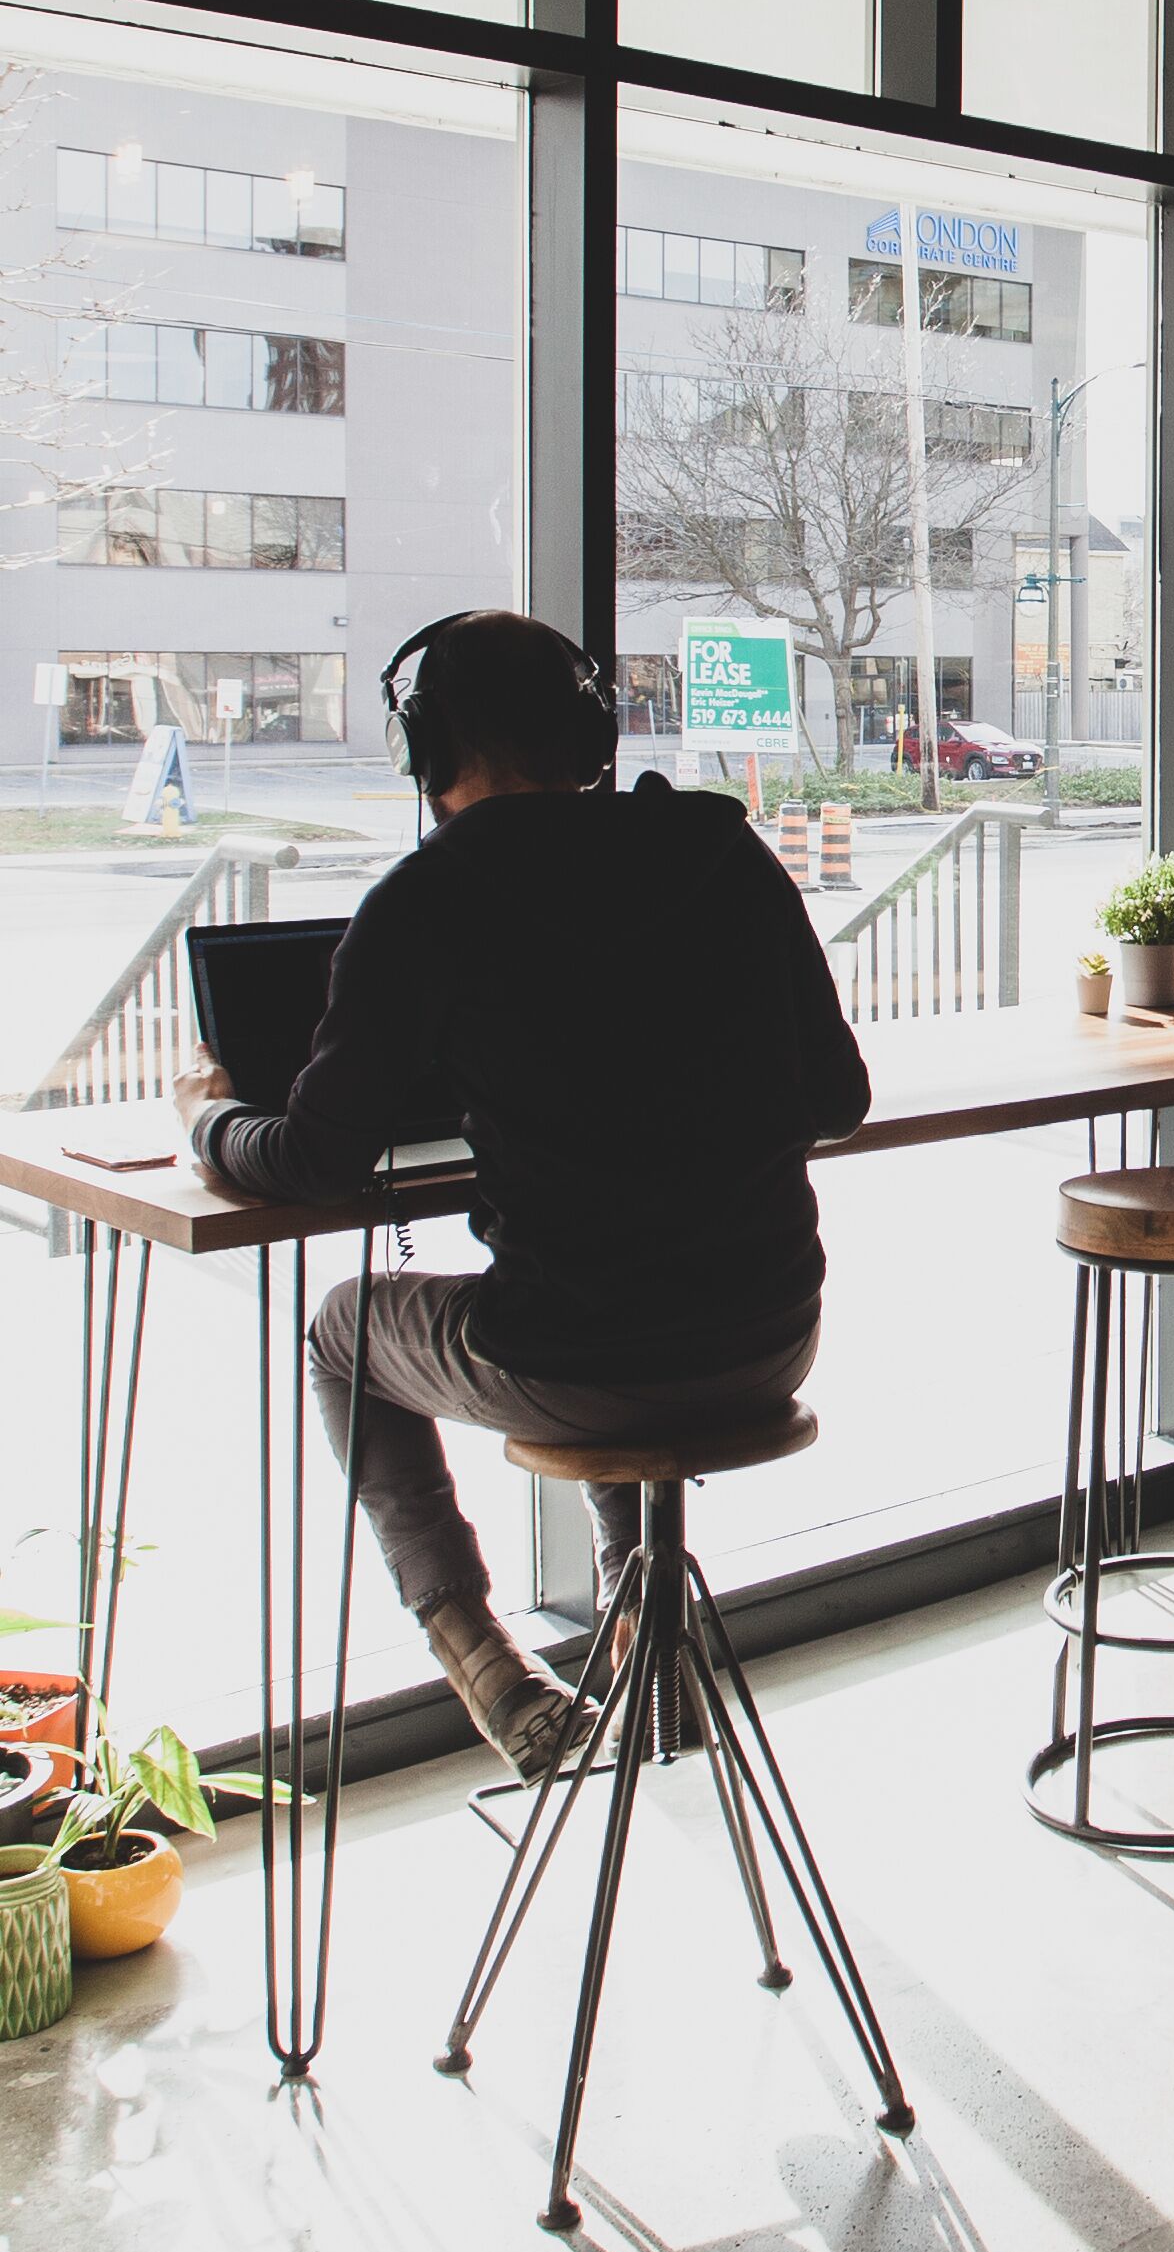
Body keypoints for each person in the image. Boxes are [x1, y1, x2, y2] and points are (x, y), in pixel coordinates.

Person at [174, 612, 870, 1781]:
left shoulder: (428, 899)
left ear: (425, 747)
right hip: (772, 1337)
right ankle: (642, 1631)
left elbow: (309, 1162)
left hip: (581, 1369)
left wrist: (204, 1117)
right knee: (606, 1289)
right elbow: (839, 1096)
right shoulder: (723, 851)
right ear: (588, 730)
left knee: (343, 1330)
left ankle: (478, 1656)